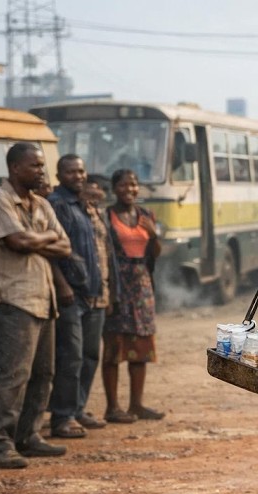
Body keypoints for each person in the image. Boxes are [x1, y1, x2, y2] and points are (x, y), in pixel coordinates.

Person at [0, 143, 72, 469]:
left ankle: (28, 436)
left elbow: (65, 247)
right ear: (15, 168)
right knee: (12, 375)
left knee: (43, 373)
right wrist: (42, 238)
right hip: (13, 298)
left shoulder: (42, 203)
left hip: (42, 298)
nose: (41, 171)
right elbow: (16, 243)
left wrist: (36, 239)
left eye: (41, 165)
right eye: (34, 166)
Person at [47, 155, 110, 438]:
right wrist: (62, 286)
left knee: (89, 355)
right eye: (71, 171)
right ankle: (62, 416)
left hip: (95, 293)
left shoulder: (85, 205)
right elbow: (52, 251)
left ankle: (78, 408)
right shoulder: (57, 204)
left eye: (81, 171)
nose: (78, 176)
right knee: (70, 356)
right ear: (59, 175)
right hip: (71, 294)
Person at [102, 169, 164, 423]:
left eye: (134, 185)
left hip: (142, 285)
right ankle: (112, 407)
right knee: (114, 346)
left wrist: (153, 234)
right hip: (118, 285)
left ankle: (136, 404)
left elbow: (156, 253)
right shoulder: (107, 216)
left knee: (140, 345)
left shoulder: (146, 216)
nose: (130, 189)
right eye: (124, 185)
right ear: (114, 189)